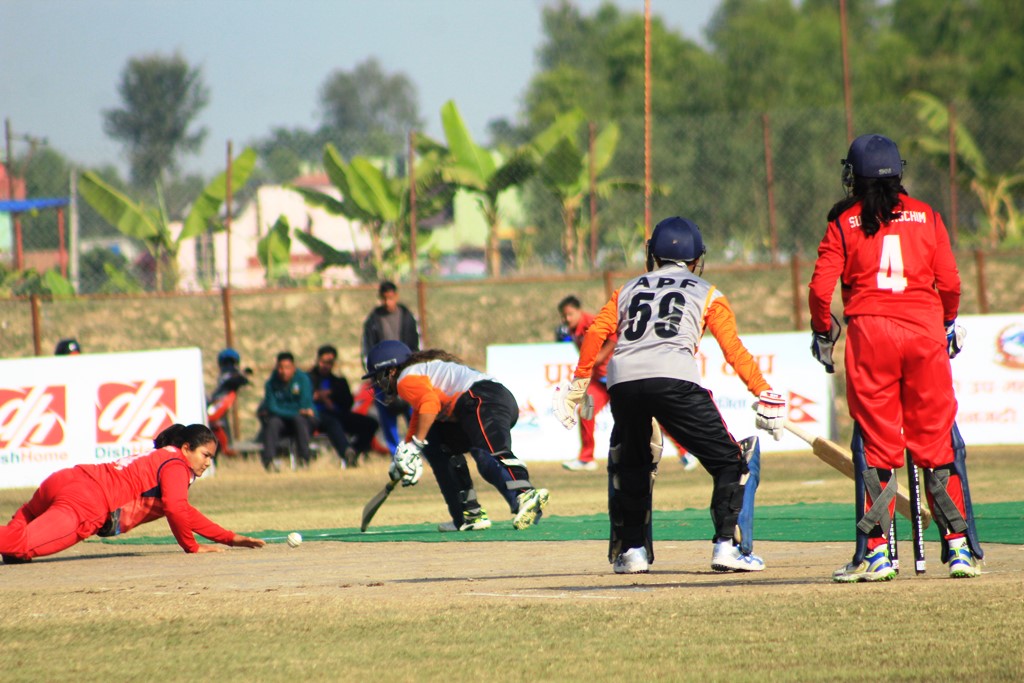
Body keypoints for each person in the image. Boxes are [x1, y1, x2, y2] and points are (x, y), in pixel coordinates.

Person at [554, 216, 785, 574]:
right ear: (696, 259)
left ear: (653, 254)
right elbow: (733, 350)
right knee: (729, 462)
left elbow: (595, 334)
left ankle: (633, 553)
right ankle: (726, 547)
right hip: (674, 378)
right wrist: (763, 391)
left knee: (632, 466)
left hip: (623, 382)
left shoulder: (627, 289)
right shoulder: (709, 292)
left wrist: (578, 384)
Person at [809, 133, 981, 582]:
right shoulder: (927, 215)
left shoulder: (842, 220)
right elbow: (951, 282)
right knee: (935, 442)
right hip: (924, 334)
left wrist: (823, 330)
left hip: (871, 338)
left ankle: (878, 554)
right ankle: (959, 548)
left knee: (879, 446)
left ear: (854, 175)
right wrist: (946, 322)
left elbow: (818, 290)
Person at [0, 423, 265, 563]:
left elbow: (183, 511)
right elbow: (175, 507)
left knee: (19, 532)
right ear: (186, 448)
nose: (208, 462)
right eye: (205, 455)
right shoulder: (176, 465)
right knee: (22, 545)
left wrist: (229, 538)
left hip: (66, 479)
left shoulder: (158, 457)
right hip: (87, 502)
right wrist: (192, 547)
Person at [363, 340, 549, 532]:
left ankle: (524, 493)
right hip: (482, 402)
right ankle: (467, 514)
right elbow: (421, 416)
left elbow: (429, 403)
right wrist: (405, 454)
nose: (378, 383)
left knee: (488, 455)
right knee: (437, 444)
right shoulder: (418, 374)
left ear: (391, 370)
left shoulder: (405, 378)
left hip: (481, 399)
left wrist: (414, 445)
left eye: (377, 377)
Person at [362, 281, 420, 455]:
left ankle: (418, 452)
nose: (388, 302)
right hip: (383, 379)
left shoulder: (407, 316)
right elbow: (367, 350)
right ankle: (396, 454)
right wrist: (376, 376)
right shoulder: (373, 320)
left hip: (405, 374)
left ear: (396, 296)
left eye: (391, 298)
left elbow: (415, 345)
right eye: (384, 298)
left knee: (414, 415)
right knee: (387, 418)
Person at [557, 295, 613, 472]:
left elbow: (614, 336)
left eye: (570, 314)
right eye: (564, 316)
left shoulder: (592, 323)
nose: (567, 319)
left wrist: (602, 356)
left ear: (579, 311)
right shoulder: (573, 330)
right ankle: (587, 458)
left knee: (646, 412)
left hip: (617, 377)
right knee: (585, 411)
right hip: (599, 381)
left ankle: (684, 452)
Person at [307, 344, 379, 468]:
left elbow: (348, 403)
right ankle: (345, 452)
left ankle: (354, 451)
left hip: (338, 414)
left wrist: (332, 394)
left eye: (329, 362)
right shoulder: (307, 379)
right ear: (318, 360)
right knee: (332, 422)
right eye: (323, 362)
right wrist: (319, 396)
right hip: (317, 415)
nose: (325, 366)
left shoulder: (339, 382)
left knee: (371, 423)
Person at [260, 351, 315, 472]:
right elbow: (272, 407)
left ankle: (304, 460)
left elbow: (305, 404)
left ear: (293, 368)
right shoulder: (271, 383)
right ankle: (269, 462)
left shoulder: (303, 379)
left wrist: (283, 410)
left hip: (302, 421)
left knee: (300, 420)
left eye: (287, 368)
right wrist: (295, 411)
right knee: (273, 422)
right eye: (280, 368)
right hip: (282, 421)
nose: (283, 371)